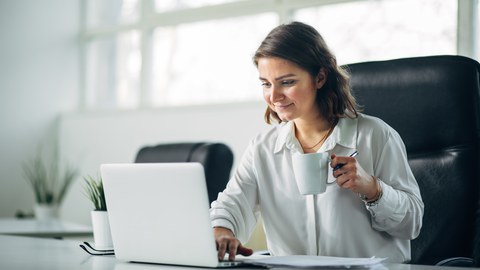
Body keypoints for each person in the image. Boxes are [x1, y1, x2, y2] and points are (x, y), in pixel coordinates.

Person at [210, 21, 424, 263]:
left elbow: (412, 224)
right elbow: (231, 205)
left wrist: (373, 189)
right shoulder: (263, 148)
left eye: (287, 82)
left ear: (320, 77)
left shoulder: (375, 135)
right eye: (266, 83)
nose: (273, 96)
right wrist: (222, 231)